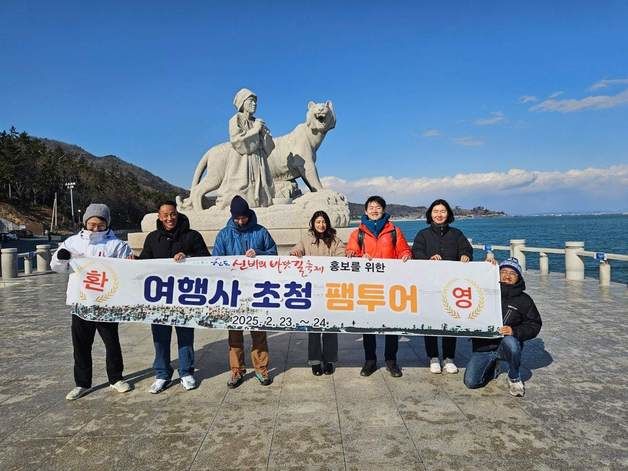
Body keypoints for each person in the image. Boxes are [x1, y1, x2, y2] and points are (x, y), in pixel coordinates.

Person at [51, 203, 133, 400]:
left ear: (107, 224)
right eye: (92, 224)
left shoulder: (116, 244)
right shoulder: (72, 242)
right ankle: (82, 383)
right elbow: (57, 266)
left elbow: (127, 269)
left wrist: (131, 263)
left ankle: (116, 378)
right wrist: (61, 259)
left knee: (112, 342)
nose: (96, 228)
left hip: (107, 302)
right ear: (85, 222)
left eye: (100, 225)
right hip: (81, 301)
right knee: (81, 344)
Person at [139, 200, 210, 394]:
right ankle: (162, 374)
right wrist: (133, 262)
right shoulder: (153, 238)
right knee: (160, 337)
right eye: (165, 215)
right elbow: (144, 262)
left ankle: (186, 372)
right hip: (160, 298)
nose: (169, 218)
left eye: (173, 214)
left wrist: (187, 256)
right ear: (159, 217)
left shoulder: (192, 235)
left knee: (185, 335)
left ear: (177, 214)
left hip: (184, 296)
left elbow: (206, 258)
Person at [212, 195, 278, 387]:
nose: (241, 221)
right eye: (237, 218)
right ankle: (236, 371)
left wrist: (260, 254)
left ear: (249, 214)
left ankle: (261, 369)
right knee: (234, 333)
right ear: (232, 216)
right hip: (233, 292)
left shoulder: (261, 231)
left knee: (258, 331)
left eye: (243, 217)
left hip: (257, 290)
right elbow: (216, 260)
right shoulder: (224, 234)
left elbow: (274, 255)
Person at [346, 195, 412, 378]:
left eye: (378, 207)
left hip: (390, 286)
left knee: (392, 326)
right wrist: (358, 256)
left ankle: (391, 361)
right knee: (368, 326)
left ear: (383, 210)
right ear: (365, 211)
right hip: (367, 287)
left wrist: (406, 254)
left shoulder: (394, 231)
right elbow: (350, 253)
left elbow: (404, 250)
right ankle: (370, 361)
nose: (374, 210)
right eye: (371, 207)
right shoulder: (357, 233)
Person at [464, 258, 542, 397]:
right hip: (484, 346)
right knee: (471, 382)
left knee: (511, 343)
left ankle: (514, 376)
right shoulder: (485, 291)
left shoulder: (525, 300)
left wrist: (515, 331)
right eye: (504, 271)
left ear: (518, 277)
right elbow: (469, 281)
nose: (507, 275)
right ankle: (494, 365)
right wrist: (486, 266)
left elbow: (535, 324)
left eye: (512, 273)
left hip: (506, 342)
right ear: (498, 274)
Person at [411, 198, 473, 374]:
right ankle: (433, 357)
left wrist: (465, 255)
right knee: (430, 322)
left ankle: (449, 357)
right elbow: (417, 252)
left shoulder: (457, 234)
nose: (439, 214)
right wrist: (428, 259)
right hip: (429, 286)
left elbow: (467, 249)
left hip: (451, 287)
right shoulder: (422, 234)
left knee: (449, 321)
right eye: (436, 211)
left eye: (443, 211)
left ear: (448, 214)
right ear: (430, 214)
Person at [290, 210, 346, 376]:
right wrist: (296, 253)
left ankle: (329, 360)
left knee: (330, 327)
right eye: (318, 222)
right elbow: (296, 250)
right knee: (314, 328)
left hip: (330, 289)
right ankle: (315, 361)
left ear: (327, 223)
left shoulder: (335, 240)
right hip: (312, 291)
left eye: (323, 222)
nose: (321, 225)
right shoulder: (306, 240)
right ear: (313, 224)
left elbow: (341, 258)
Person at [216, 88, 275, 208]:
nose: (254, 104)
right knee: (241, 187)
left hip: (258, 160)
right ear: (242, 103)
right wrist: (255, 130)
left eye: (255, 102)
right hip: (242, 160)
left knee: (263, 189)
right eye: (251, 101)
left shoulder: (257, 121)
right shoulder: (235, 119)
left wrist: (265, 135)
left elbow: (268, 147)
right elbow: (236, 140)